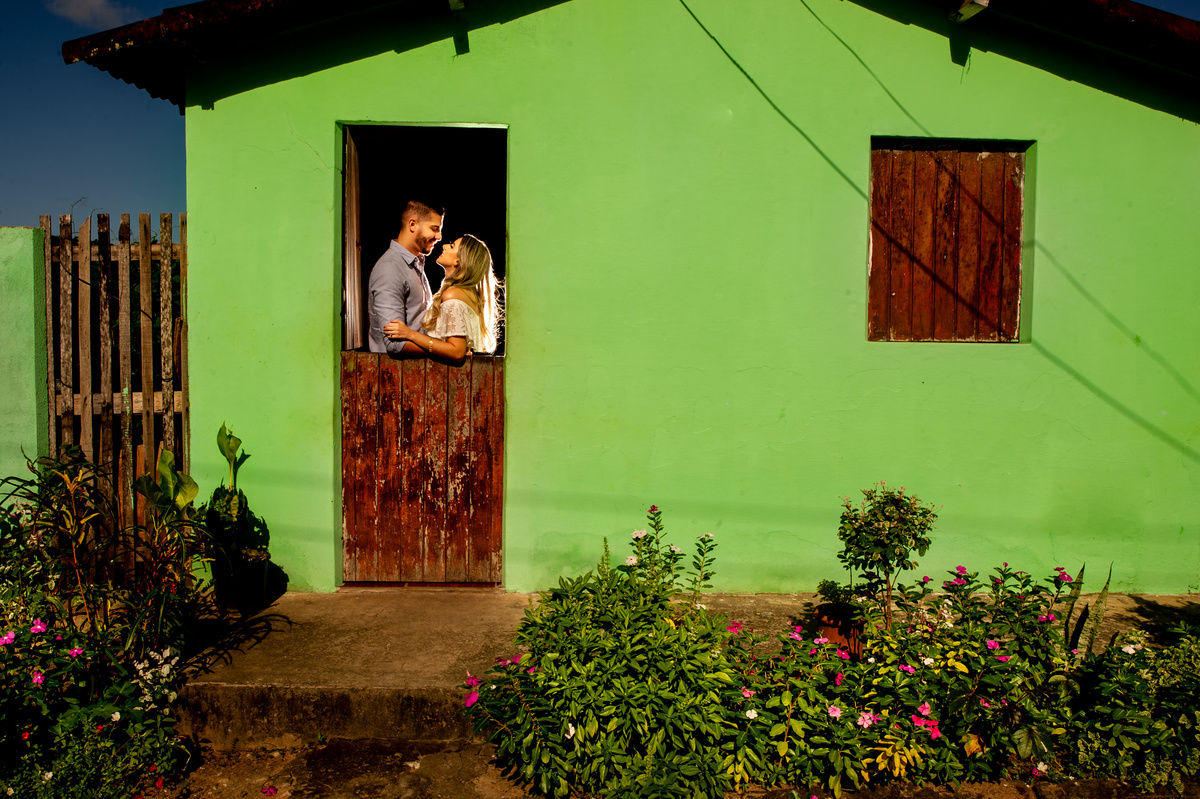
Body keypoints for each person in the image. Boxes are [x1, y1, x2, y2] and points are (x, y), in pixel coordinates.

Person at [383, 233, 501, 362]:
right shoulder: (467, 293)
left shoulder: (453, 295)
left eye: (452, 246)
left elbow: (457, 352)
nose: (444, 246)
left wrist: (410, 334)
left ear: (459, 260)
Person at [367, 200, 444, 355]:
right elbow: (395, 344)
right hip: (394, 369)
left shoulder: (414, 264)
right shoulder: (390, 269)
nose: (439, 236)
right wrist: (446, 350)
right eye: (434, 229)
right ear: (412, 225)